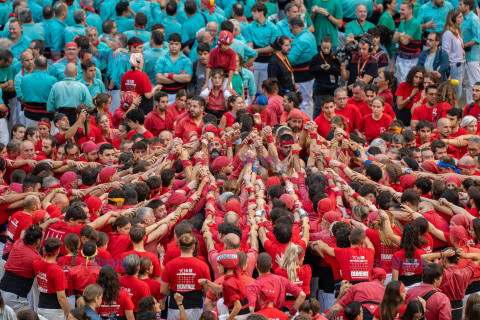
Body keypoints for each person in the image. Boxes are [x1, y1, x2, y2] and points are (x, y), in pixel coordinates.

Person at [161, 233, 211, 320]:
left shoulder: (170, 265)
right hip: (195, 308)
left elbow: (163, 290)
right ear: (194, 247)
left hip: (175, 308)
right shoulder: (202, 265)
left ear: (179, 247)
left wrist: (176, 292)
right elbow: (207, 290)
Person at [244, 3, 280, 91]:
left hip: (268, 63)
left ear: (262, 12)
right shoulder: (249, 27)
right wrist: (251, 63)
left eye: (254, 11)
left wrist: (255, 51)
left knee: (264, 89)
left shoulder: (273, 27)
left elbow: (272, 47)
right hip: (254, 63)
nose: (252, 13)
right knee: (252, 90)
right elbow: (249, 47)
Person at [33, 237, 70, 320]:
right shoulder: (58, 271)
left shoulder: (36, 263)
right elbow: (61, 297)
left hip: (41, 307)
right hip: (55, 311)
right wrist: (69, 314)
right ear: (58, 251)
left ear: (44, 249)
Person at [288, 17, 317, 118]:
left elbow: (290, 60)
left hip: (302, 75)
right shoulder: (309, 34)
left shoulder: (300, 40)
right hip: (309, 73)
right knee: (308, 99)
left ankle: (305, 121)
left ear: (296, 28)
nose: (291, 32)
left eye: (291, 30)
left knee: (303, 100)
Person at [155, 33, 193, 104]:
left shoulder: (186, 60)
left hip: (181, 96)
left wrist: (170, 76)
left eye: (176, 44)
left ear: (180, 45)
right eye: (171, 44)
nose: (173, 46)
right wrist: (179, 77)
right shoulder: (162, 59)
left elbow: (188, 78)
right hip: (165, 95)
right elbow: (158, 78)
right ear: (168, 44)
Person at [309, 35, 340, 119]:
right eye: (324, 48)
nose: (326, 50)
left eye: (328, 48)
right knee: (318, 108)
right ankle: (314, 124)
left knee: (333, 109)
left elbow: (339, 72)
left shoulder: (335, 57)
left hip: (333, 86)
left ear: (331, 46)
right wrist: (320, 67)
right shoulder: (316, 57)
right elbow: (310, 71)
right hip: (321, 86)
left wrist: (330, 68)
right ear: (321, 46)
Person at [392, 2, 423, 83]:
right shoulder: (402, 22)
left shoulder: (414, 22)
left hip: (410, 61)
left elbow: (405, 42)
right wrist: (403, 35)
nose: (399, 11)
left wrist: (400, 35)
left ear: (410, 10)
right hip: (400, 57)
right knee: (397, 81)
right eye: (399, 9)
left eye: (403, 9)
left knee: (405, 82)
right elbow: (394, 39)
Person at [459, 0, 480, 104]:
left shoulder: (474, 19)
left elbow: (478, 38)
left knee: (475, 84)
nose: (458, 6)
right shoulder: (462, 18)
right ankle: (470, 107)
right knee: (467, 84)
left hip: (472, 57)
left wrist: (464, 45)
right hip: (464, 57)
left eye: (461, 4)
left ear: (467, 6)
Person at [442, 9, 465, 100]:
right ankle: (453, 112)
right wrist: (448, 71)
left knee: (458, 91)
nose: (462, 18)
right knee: (456, 93)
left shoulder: (457, 30)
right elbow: (446, 52)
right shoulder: (448, 33)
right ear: (453, 19)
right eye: (460, 17)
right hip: (454, 66)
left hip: (461, 64)